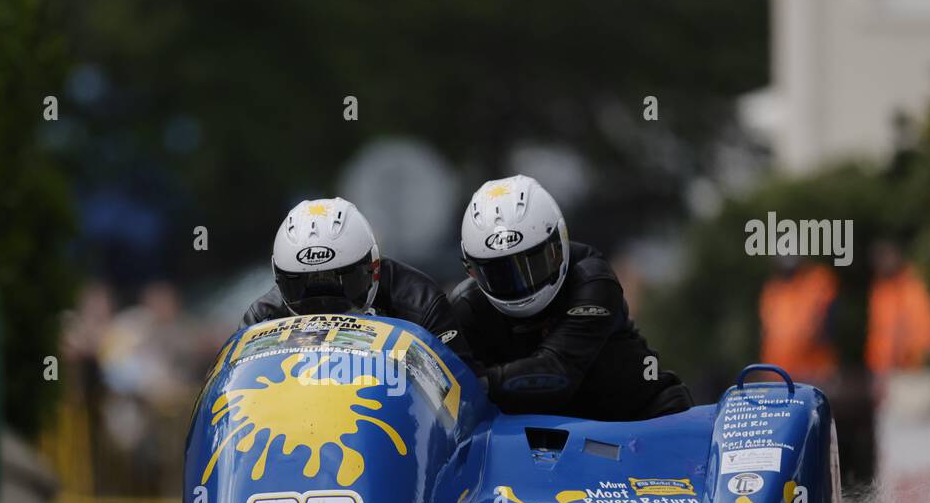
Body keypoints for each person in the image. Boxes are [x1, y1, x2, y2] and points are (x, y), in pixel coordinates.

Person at [449, 175, 690, 419]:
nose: (520, 284)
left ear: (559, 242)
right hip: (539, 441)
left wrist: (477, 383)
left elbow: (558, 373)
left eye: (534, 262)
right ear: (472, 271)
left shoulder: (592, 280)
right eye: (499, 273)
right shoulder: (467, 306)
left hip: (645, 420)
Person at [241, 197, 471, 360]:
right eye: (304, 286)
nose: (324, 306)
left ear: (374, 267)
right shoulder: (263, 318)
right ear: (279, 278)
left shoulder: (421, 302)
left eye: (339, 281)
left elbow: (464, 389)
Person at [757, 252, 840, 384]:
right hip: (777, 374)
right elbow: (766, 333)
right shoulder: (772, 290)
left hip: (814, 372)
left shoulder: (818, 281)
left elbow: (829, 326)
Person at [865, 239, 930, 375]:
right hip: (885, 370)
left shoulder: (914, 283)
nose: (883, 263)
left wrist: (922, 356)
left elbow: (926, 327)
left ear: (898, 256)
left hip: (915, 368)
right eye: (879, 259)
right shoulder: (879, 291)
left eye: (886, 256)